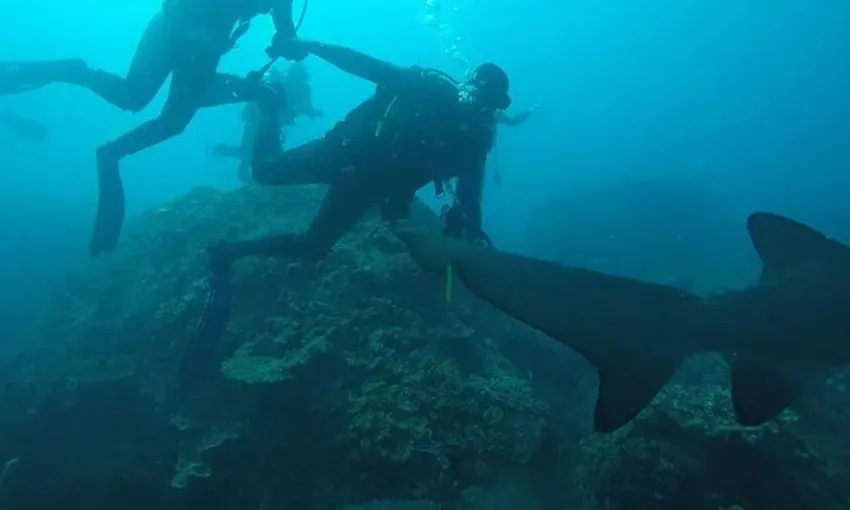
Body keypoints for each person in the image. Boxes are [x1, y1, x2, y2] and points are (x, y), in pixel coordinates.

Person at [180, 38, 512, 381]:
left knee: (314, 248)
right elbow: (363, 64)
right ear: (470, 86)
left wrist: (474, 238)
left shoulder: (475, 142)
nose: (485, 108)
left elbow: (471, 199)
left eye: (494, 104)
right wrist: (309, 44)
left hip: (372, 188)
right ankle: (268, 101)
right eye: (484, 97)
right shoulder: (429, 88)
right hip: (343, 154)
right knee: (264, 173)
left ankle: (228, 252)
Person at [0, 0, 302, 256]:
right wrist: (197, 36)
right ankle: (71, 72)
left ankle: (110, 155)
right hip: (172, 32)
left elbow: (284, 28)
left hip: (203, 51)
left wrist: (288, 43)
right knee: (132, 96)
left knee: (172, 124)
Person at [211, 61, 322, 184]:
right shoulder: (279, 85)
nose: (300, 80)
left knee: (265, 152)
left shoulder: (304, 90)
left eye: (302, 76)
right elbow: (261, 101)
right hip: (258, 122)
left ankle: (224, 152)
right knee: (250, 150)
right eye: (298, 76)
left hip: (275, 125)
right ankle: (240, 167)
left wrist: (313, 112)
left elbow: (306, 107)